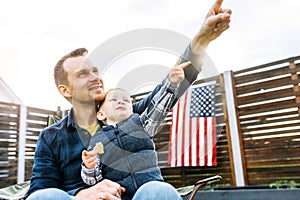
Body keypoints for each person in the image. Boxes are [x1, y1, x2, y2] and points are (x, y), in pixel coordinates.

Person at [27, 0, 231, 199]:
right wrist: (81, 194)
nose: (96, 78)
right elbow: (40, 191)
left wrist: (202, 39)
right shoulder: (51, 137)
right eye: (83, 74)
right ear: (65, 90)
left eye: (95, 71)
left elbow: (172, 86)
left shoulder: (125, 115)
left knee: (157, 191)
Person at [81, 61, 189, 200]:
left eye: (126, 100)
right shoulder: (96, 140)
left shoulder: (141, 124)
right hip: (120, 196)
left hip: (151, 192)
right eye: (114, 100)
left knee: (161, 190)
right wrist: (90, 167)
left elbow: (158, 109)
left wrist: (171, 84)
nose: (121, 102)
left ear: (132, 110)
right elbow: (93, 181)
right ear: (101, 114)